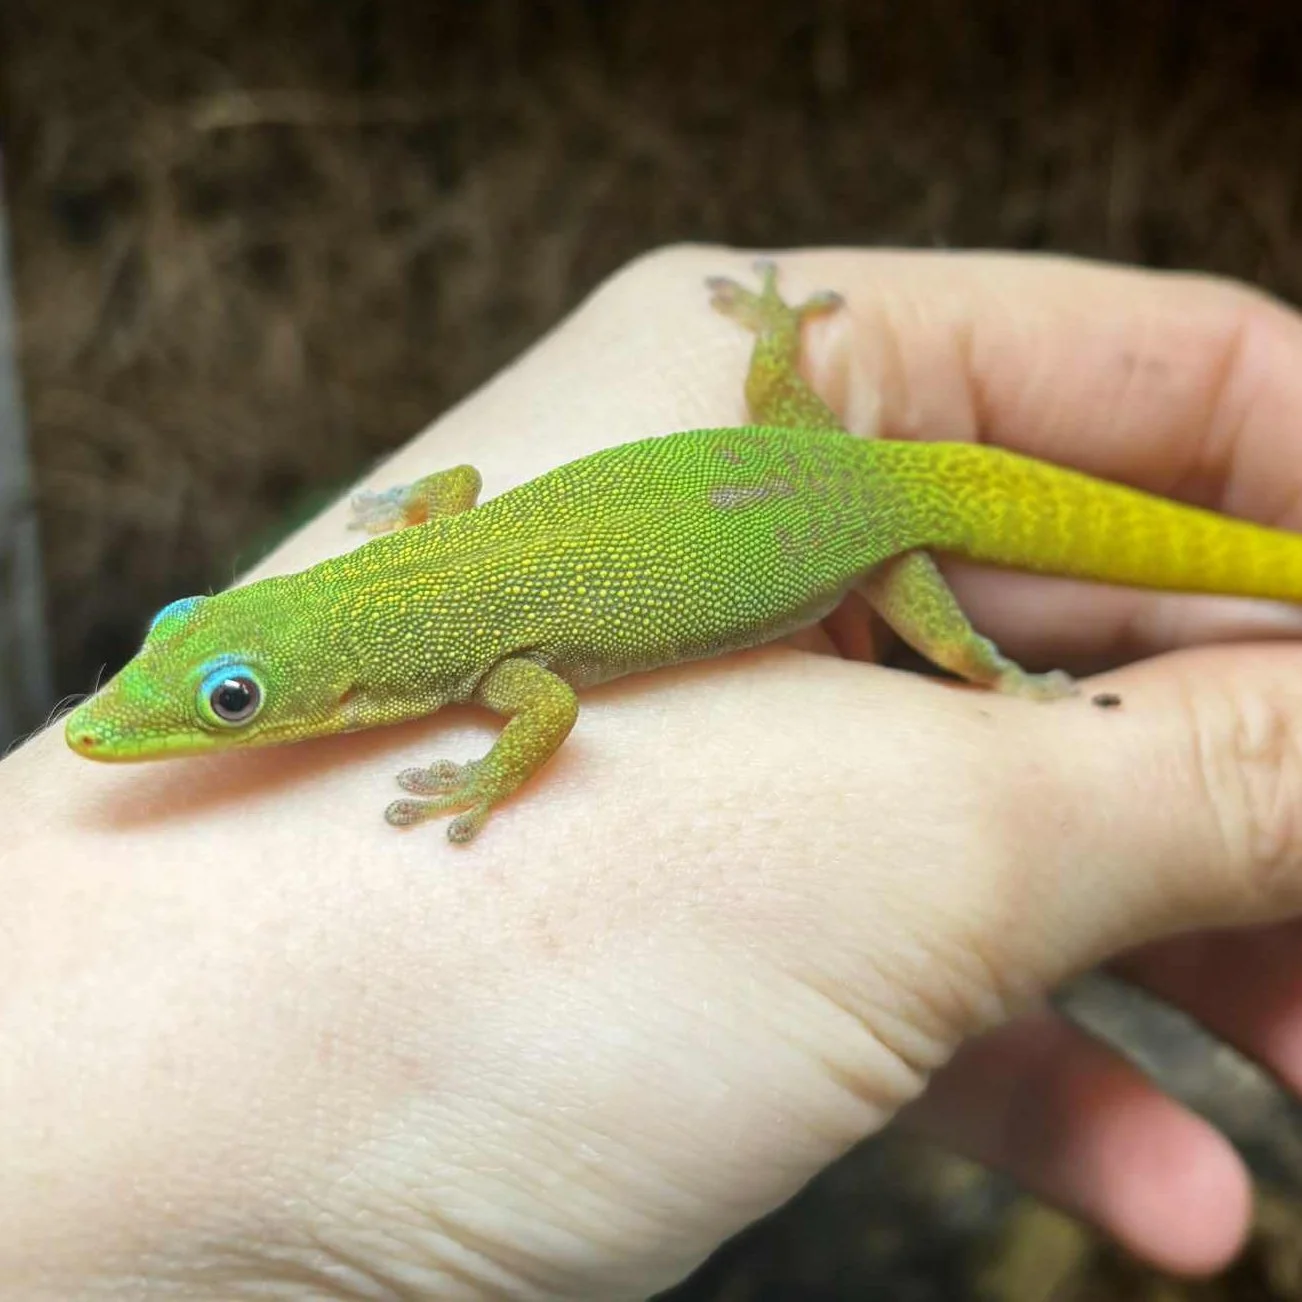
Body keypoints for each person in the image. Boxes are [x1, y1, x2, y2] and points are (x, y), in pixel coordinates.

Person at [5, 246, 1302, 1299]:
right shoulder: (427, 578)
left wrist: (481, 786)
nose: (122, 721)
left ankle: (999, 676)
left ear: (339, 684)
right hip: (805, 457)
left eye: (223, 690)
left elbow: (549, 709)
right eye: (212, 677)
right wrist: (771, 342)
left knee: (983, 645)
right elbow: (449, 484)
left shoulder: (485, 671)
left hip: (866, 522)